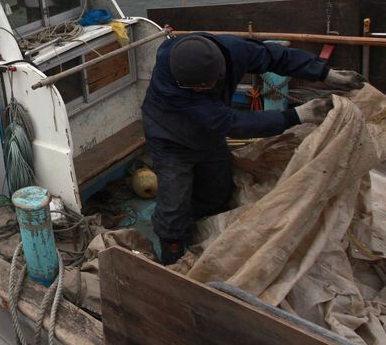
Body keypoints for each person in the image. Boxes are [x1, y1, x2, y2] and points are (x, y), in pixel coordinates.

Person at [141, 33, 365, 265]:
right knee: (174, 207)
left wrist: (325, 73)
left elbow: (277, 57)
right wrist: (297, 115)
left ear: (219, 72)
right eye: (192, 87)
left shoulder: (234, 51)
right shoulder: (172, 86)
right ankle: (172, 254)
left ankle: (197, 222)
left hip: (209, 136)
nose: (197, 90)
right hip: (170, 139)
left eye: (203, 86)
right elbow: (232, 124)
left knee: (218, 192)